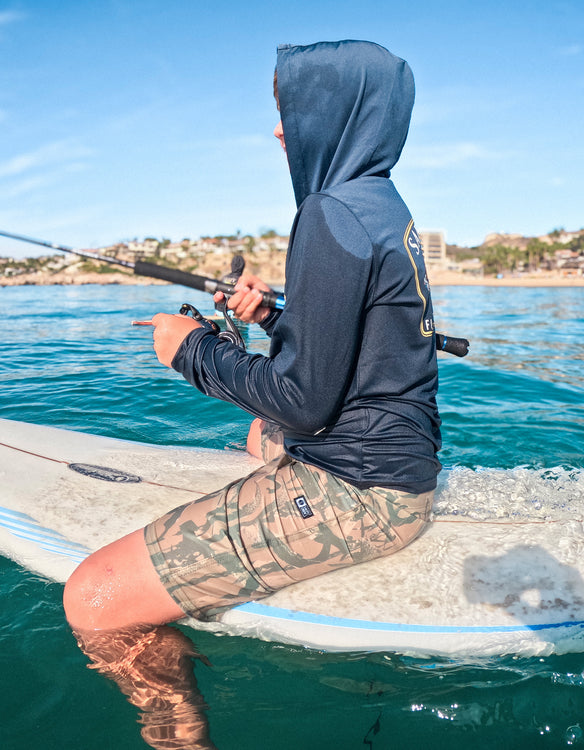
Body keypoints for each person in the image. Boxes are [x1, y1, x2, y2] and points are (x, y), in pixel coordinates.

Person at [63, 40, 441, 748]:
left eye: (291, 110)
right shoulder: (380, 208)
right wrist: (273, 319)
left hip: (359, 493)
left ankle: (180, 736)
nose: (279, 130)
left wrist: (194, 351)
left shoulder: (329, 214)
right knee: (258, 438)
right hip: (402, 463)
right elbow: (352, 355)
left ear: (339, 112)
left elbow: (302, 402)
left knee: (93, 600)